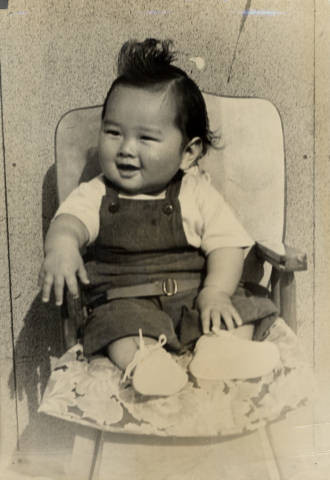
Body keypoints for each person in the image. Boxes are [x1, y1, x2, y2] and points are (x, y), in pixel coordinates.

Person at [39, 38, 279, 397]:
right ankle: (145, 363)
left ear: (188, 153)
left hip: (193, 297)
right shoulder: (96, 193)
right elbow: (69, 223)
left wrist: (215, 292)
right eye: (113, 132)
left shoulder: (196, 192)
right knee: (114, 327)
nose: (126, 149)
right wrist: (62, 247)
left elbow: (226, 245)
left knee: (240, 309)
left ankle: (218, 350)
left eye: (146, 138)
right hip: (125, 300)